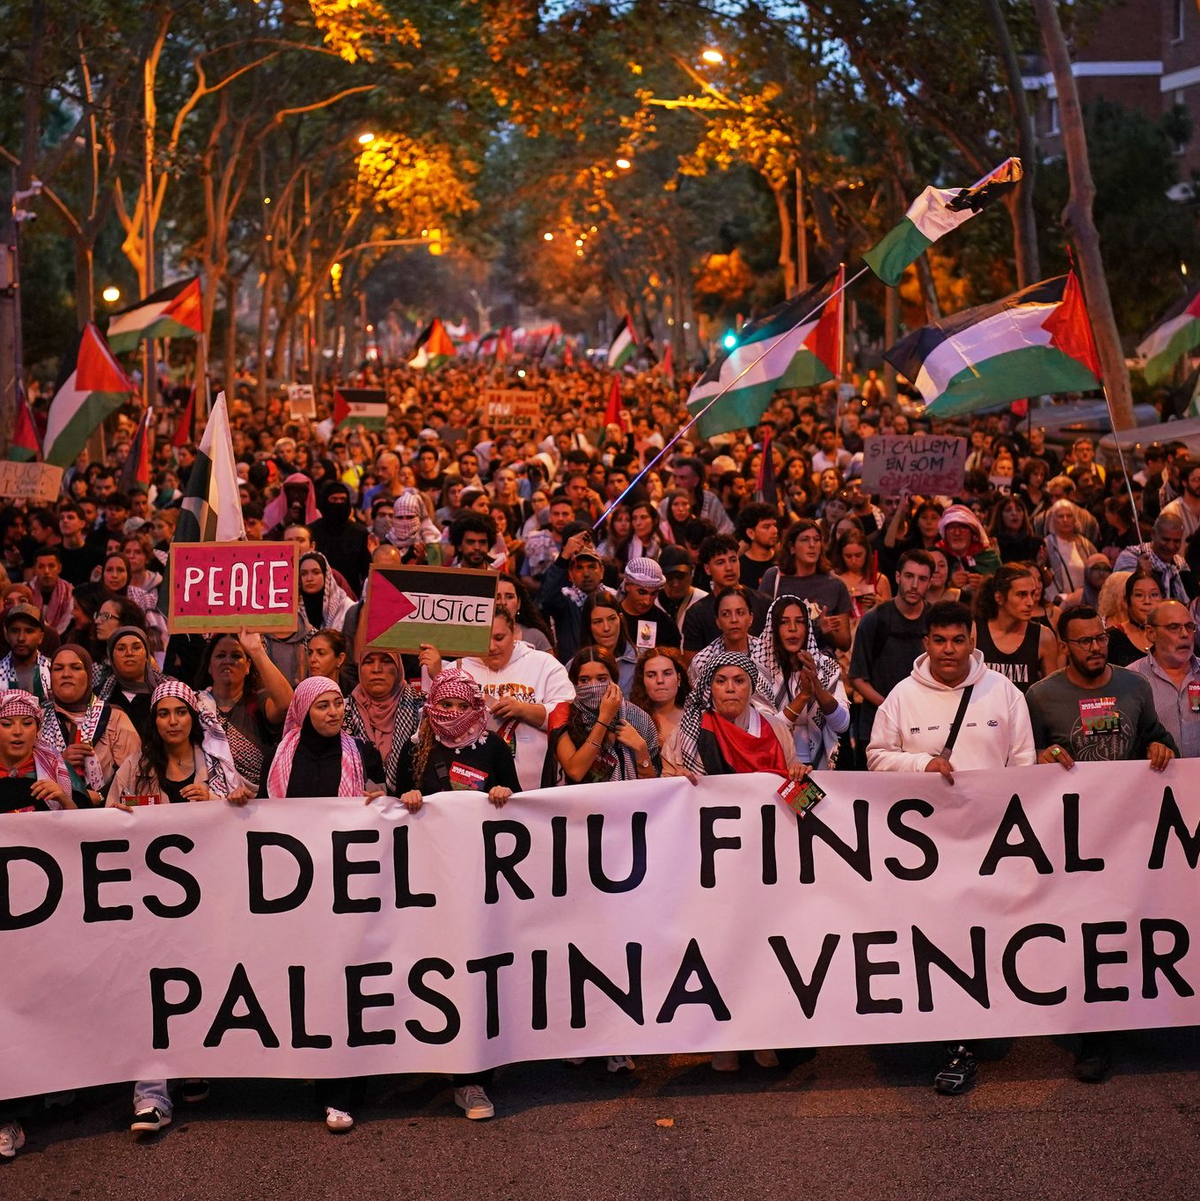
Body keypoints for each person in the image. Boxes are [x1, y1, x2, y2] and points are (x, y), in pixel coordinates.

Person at [866, 599, 1036, 1097]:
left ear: (971, 640)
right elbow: (876, 758)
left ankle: (982, 1019)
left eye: (957, 640)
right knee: (940, 941)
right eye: (939, 640)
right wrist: (921, 766)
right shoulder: (900, 696)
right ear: (926, 643)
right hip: (924, 852)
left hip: (991, 844)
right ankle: (954, 1044)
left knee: (987, 938)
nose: (948, 650)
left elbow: (1023, 761)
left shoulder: (1002, 692)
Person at [1026, 603, 1178, 1082]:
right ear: (1064, 645)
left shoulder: (1133, 686)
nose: (1096, 648)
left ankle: (1136, 1017)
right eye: (1085, 641)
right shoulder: (1041, 696)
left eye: (1102, 638)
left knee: (1131, 926)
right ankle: (1091, 1036)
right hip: (1072, 843)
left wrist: (1162, 747)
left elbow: (1156, 735)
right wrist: (1041, 755)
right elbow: (1021, 760)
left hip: (1130, 834)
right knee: (1085, 933)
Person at [421, 609, 574, 792]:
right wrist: (439, 676)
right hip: (474, 791)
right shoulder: (458, 668)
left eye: (499, 638)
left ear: (515, 633)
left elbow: (569, 717)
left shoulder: (544, 664)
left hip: (541, 789)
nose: (492, 647)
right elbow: (437, 724)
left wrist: (523, 710)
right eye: (485, 640)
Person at [847, 550, 935, 768]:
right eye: (909, 576)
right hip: (877, 726)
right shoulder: (874, 619)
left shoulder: (935, 620)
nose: (914, 585)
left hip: (927, 725)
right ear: (897, 577)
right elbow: (857, 677)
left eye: (922, 579)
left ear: (930, 582)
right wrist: (891, 707)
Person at [670, 652, 805, 781]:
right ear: (710, 688)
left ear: (751, 688)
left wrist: (798, 771)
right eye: (721, 681)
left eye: (739, 681)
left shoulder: (777, 728)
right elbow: (665, 785)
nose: (730, 688)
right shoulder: (688, 731)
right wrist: (675, 780)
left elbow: (794, 774)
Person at [752, 596, 849, 769]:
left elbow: (842, 724)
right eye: (784, 622)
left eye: (800, 622)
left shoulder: (826, 667)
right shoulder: (759, 672)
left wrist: (816, 685)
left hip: (822, 767)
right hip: (777, 767)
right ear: (773, 628)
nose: (793, 629)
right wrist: (804, 695)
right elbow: (769, 730)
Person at [41, 643, 141, 807]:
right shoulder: (37, 719)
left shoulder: (113, 718)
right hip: (50, 816)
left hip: (106, 815)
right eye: (58, 668)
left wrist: (100, 796)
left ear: (88, 675)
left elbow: (134, 772)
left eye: (76, 668)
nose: (66, 674)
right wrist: (60, 764)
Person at [197, 631, 294, 796]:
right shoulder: (196, 705)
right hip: (210, 806)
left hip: (256, 806)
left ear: (248, 666)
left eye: (236, 656)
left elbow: (287, 704)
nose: (228, 661)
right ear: (209, 666)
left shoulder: (257, 701)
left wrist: (256, 650)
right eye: (221, 656)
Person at [546, 648, 660, 784]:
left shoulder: (638, 718)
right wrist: (604, 718)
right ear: (575, 683)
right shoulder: (563, 715)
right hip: (582, 802)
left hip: (630, 802)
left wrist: (641, 749)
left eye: (601, 679)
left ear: (614, 681)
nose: (593, 686)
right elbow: (575, 771)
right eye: (584, 680)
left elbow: (652, 784)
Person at [760, 520, 852, 653]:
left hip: (821, 665)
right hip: (780, 663)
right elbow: (759, 626)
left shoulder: (835, 585)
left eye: (816, 540)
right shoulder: (774, 577)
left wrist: (827, 631)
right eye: (805, 540)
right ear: (792, 547)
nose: (812, 545)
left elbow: (845, 643)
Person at [343, 648, 424, 795]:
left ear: (399, 667)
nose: (376, 669)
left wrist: (436, 674)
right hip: (358, 807)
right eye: (368, 662)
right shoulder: (342, 711)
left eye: (386, 661)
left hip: (412, 808)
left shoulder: (420, 707)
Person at [1129, 601, 1200, 758]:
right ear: (1151, 633)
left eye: (1189, 627)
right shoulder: (1131, 680)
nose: (1185, 634)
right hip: (1155, 778)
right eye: (1174, 627)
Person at [972, 565, 1058, 693]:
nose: (1030, 602)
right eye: (1022, 594)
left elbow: (1052, 694)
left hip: (1025, 712)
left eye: (1032, 594)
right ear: (999, 598)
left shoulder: (1043, 636)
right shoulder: (974, 631)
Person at [682, 535, 771, 658]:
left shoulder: (764, 603)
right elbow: (692, 666)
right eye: (720, 562)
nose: (729, 568)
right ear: (707, 569)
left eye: (733, 560)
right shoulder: (696, 613)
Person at [537, 530, 606, 664]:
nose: (586, 574)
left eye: (592, 567)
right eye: (579, 568)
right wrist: (563, 557)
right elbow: (546, 597)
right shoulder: (564, 602)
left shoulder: (614, 599)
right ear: (569, 575)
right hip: (572, 674)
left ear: (602, 571)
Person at [0, 688, 74, 812]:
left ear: (37, 728)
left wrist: (64, 800)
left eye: (27, 723)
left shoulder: (56, 767)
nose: (18, 732)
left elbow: (81, 826)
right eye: (7, 724)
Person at [630, 648, 691, 772]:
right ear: (643, 681)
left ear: (679, 679)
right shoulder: (632, 720)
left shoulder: (696, 719)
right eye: (651, 675)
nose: (660, 680)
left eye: (667, 673)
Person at [94, 625, 163, 729]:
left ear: (147, 655)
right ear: (112, 658)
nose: (129, 653)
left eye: (136, 648)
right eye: (121, 649)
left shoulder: (167, 692)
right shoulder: (98, 696)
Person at [1113, 513, 1190, 603]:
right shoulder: (1130, 557)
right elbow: (1118, 596)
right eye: (1166, 540)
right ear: (1153, 534)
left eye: (1176, 541)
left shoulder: (1181, 565)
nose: (1171, 546)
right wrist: (1139, 574)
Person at [578, 588, 639, 690]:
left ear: (620, 619)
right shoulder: (575, 667)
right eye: (598, 622)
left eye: (612, 619)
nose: (606, 628)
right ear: (588, 626)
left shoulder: (640, 662)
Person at [619, 557, 682, 650]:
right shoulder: (610, 617)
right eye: (642, 592)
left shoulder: (666, 624)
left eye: (653, 594)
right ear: (628, 585)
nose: (647, 601)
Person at [1104, 570, 1163, 666]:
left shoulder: (1172, 635)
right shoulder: (1111, 638)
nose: (1147, 601)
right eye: (1139, 595)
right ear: (1127, 601)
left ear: (1162, 599)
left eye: (1154, 595)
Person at [1, 603, 51, 698]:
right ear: (7, 635)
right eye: (15, 631)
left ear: (41, 637)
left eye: (29, 631)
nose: (21, 638)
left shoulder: (53, 671)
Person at [495, 572, 554, 652]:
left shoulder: (535, 637)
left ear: (519, 603)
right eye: (497, 597)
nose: (503, 602)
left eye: (509, 597)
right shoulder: (478, 637)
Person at [299, 552, 353, 632]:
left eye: (316, 572)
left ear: (326, 575)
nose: (309, 578)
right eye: (303, 574)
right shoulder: (293, 608)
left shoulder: (345, 607)